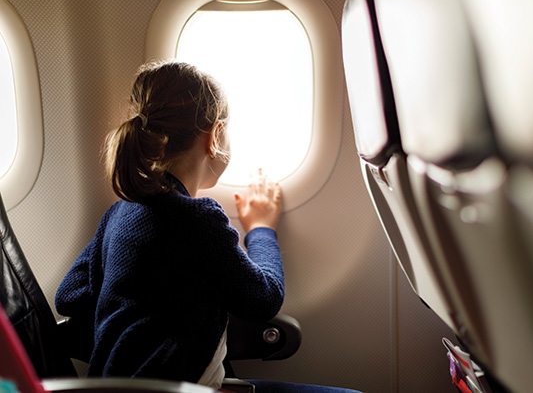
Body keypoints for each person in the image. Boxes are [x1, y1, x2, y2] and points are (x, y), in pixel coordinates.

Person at [55, 60, 361, 393]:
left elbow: (69, 296)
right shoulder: (199, 219)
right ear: (215, 135)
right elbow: (264, 298)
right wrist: (260, 228)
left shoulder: (119, 213)